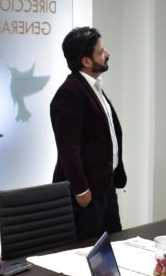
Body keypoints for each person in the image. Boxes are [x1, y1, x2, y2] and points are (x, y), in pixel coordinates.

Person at [50, 26, 126, 239]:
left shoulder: (92, 87)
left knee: (115, 243)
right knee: (84, 250)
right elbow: (68, 148)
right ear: (86, 61)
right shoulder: (70, 93)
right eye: (101, 52)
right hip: (86, 193)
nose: (107, 54)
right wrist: (81, 189)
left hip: (105, 185)